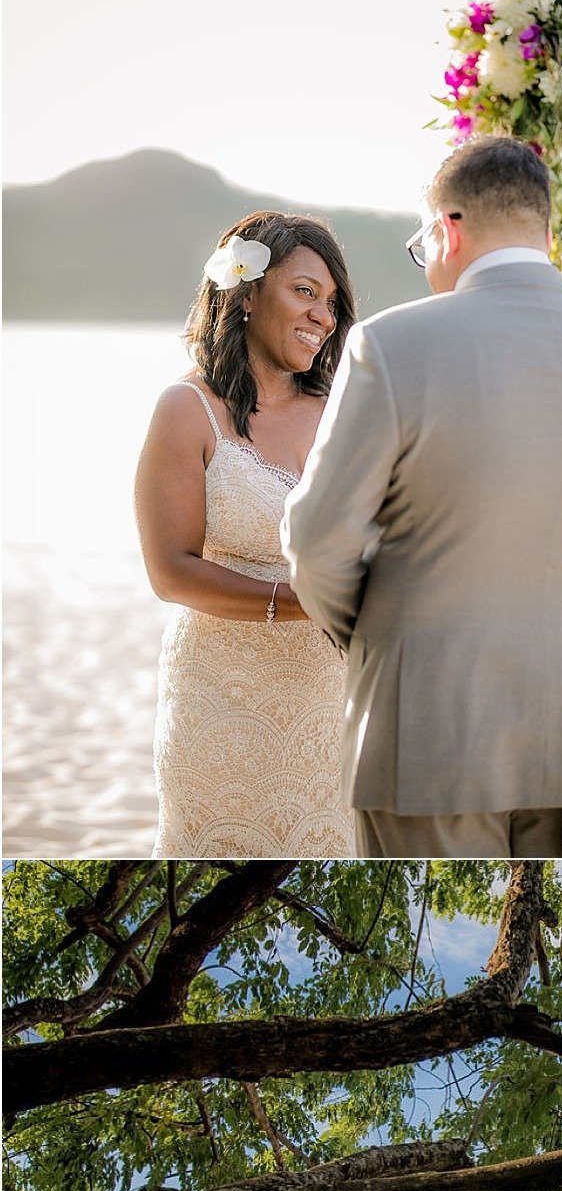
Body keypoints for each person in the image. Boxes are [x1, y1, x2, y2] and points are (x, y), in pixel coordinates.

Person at [281, 135, 562, 858]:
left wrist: (374, 640)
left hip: (427, 729)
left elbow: (317, 541)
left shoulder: (390, 344)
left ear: (448, 229)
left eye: (423, 242)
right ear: (544, 230)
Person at [136, 211, 357, 857]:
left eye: (333, 303)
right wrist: (301, 604)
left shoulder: (342, 410)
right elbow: (169, 571)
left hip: (329, 704)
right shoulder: (187, 410)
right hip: (222, 703)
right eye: (305, 292)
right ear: (247, 293)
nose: (324, 316)